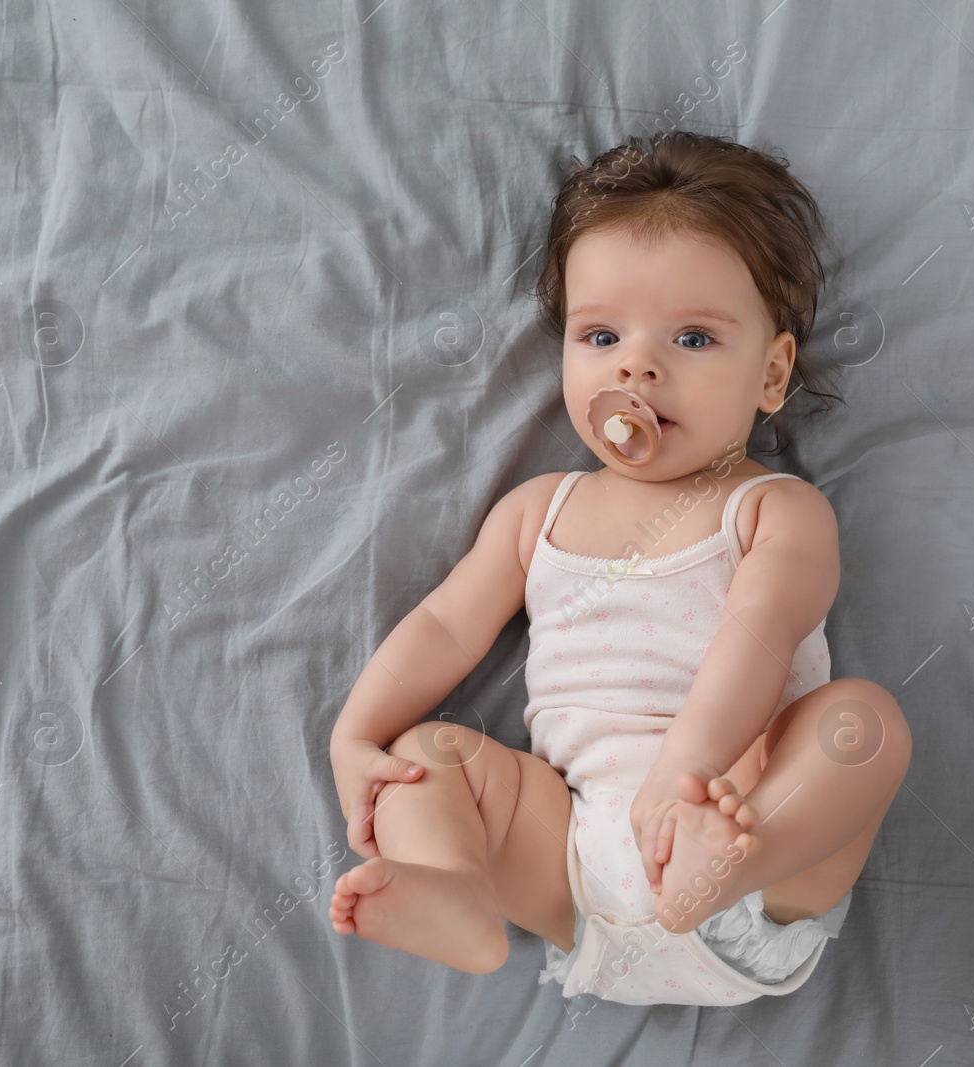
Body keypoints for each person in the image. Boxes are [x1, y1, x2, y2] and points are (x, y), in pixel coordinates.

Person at [327, 131, 912, 1007]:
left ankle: (713, 876)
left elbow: (759, 632)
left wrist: (687, 782)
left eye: (692, 337)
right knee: (427, 758)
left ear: (773, 371)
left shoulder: (772, 509)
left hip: (748, 847)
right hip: (575, 870)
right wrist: (356, 735)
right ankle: (454, 887)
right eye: (601, 334)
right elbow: (447, 625)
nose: (637, 365)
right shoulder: (539, 511)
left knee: (861, 727)